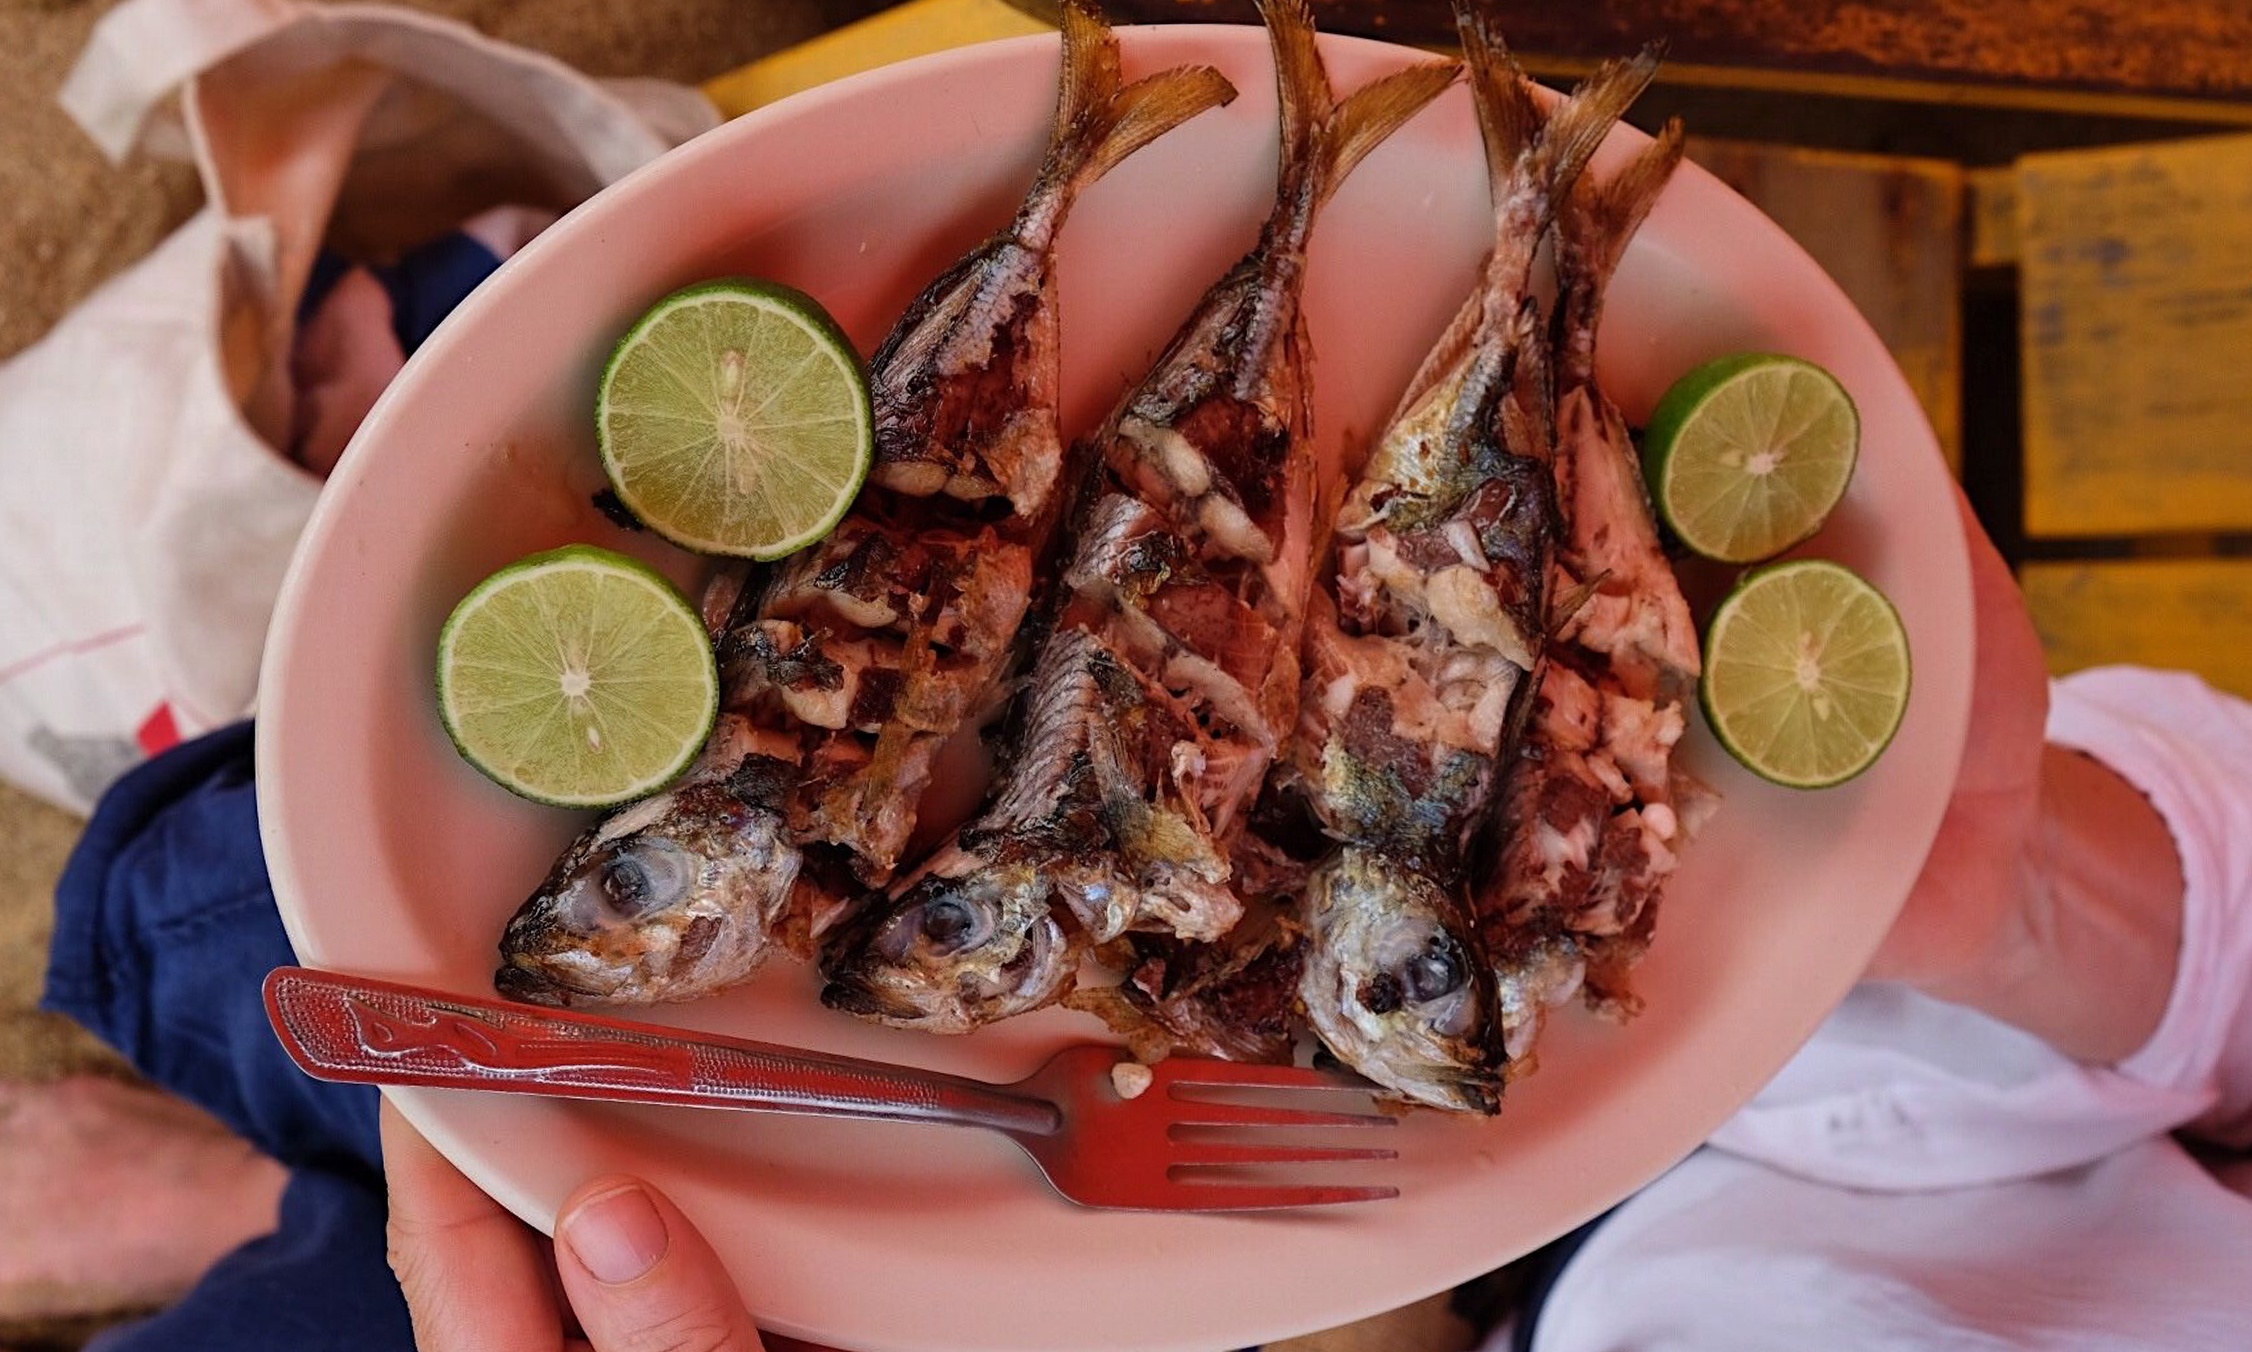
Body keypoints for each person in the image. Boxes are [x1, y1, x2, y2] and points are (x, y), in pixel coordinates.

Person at [41, 491, 2248, 1351]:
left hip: (1423, 1244)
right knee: (237, 914)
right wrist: (2043, 901)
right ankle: (226, 1152)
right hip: (1858, 1059)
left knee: (264, 1079)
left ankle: (226, 1197)